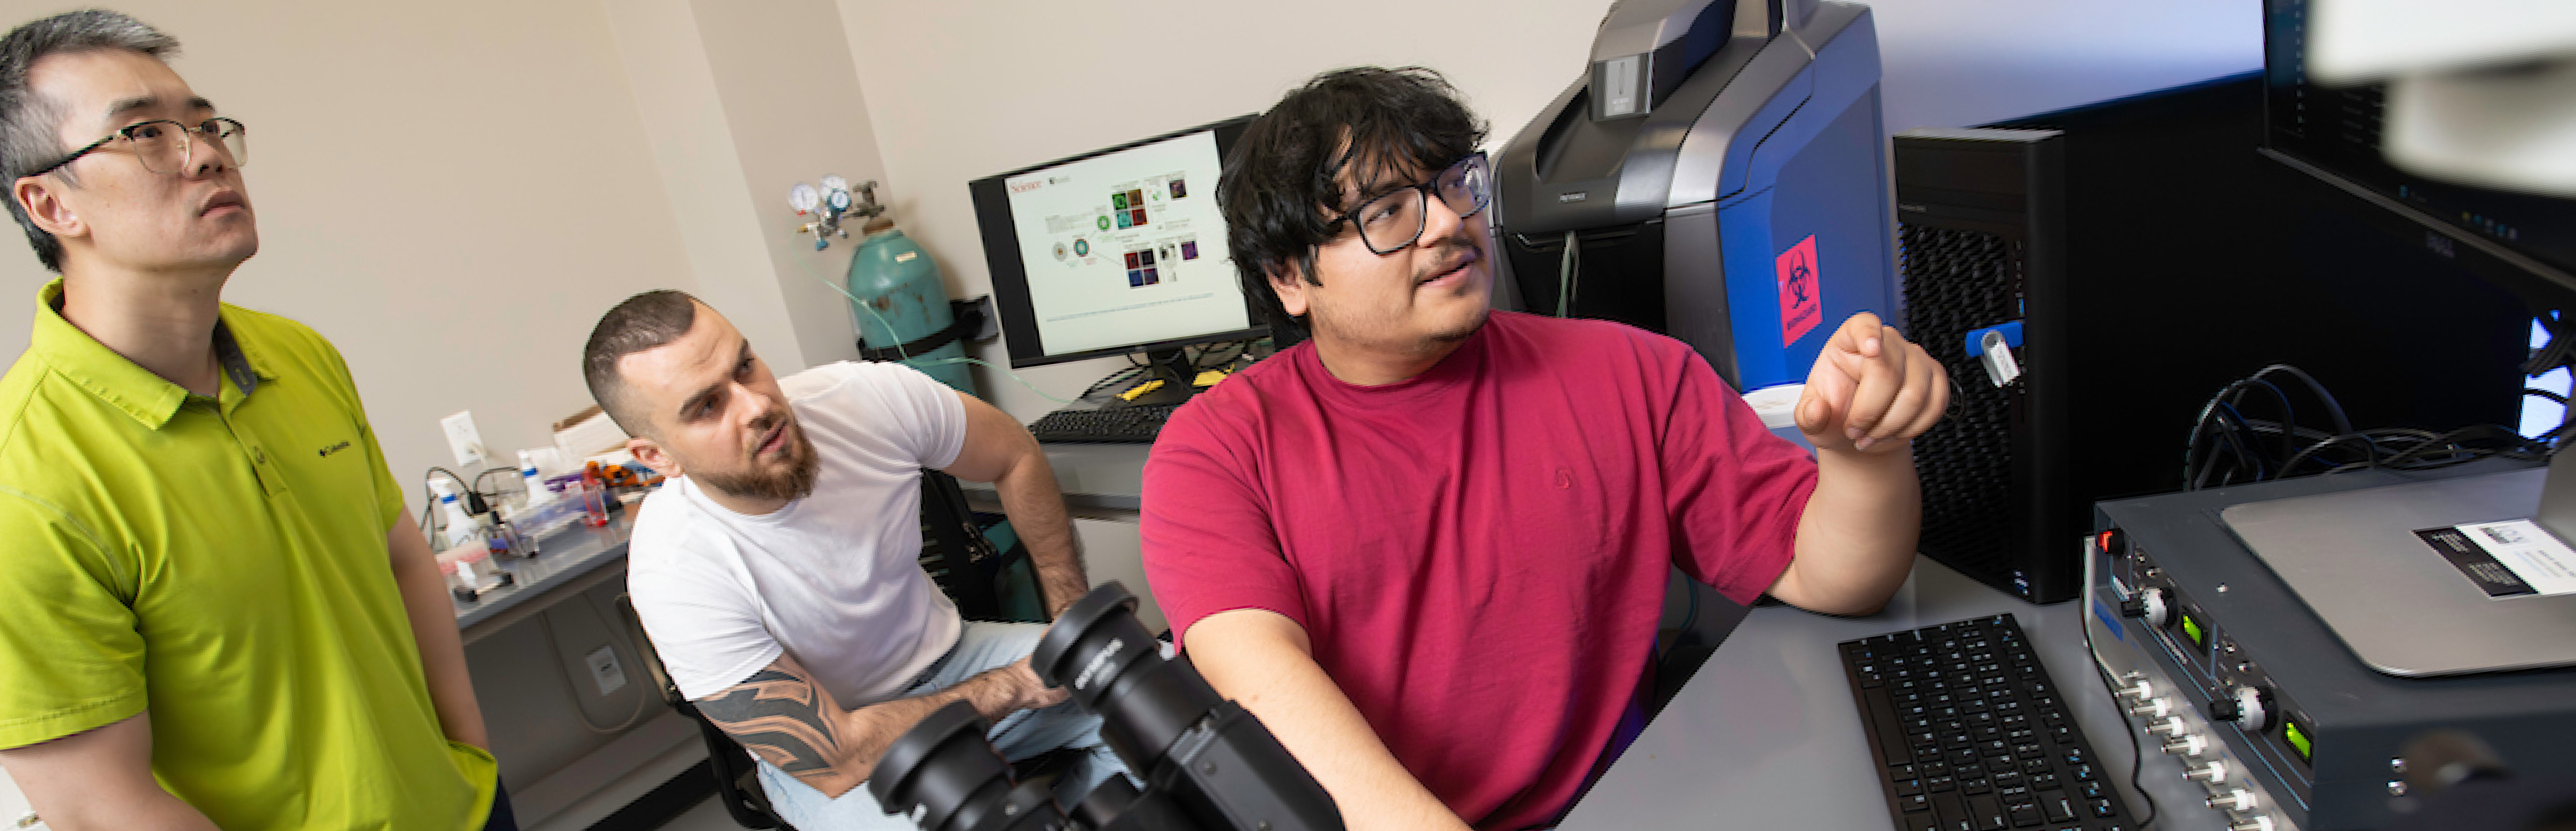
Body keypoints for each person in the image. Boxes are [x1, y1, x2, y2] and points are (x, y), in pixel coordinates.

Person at [1141, 66, 1951, 831]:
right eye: (1388, 210)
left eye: (1455, 183)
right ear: (1289, 276)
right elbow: (1259, 689)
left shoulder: (1633, 373)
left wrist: (1862, 451)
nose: (1450, 223)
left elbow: (1835, 577)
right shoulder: (1214, 450)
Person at [0, 10, 507, 830]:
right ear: (50, 203)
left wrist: (471, 759)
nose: (205, 152)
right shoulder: (27, 485)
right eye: (145, 135)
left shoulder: (297, 354)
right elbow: (103, 806)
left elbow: (400, 555)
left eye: (206, 124)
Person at [587, 290, 1124, 829]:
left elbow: (1013, 454)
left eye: (746, 367)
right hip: (845, 738)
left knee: (1154, 687)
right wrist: (1017, 686)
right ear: (656, 456)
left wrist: (1070, 619)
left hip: (956, 658)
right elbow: (835, 758)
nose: (757, 406)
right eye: (708, 406)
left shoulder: (863, 398)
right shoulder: (675, 571)